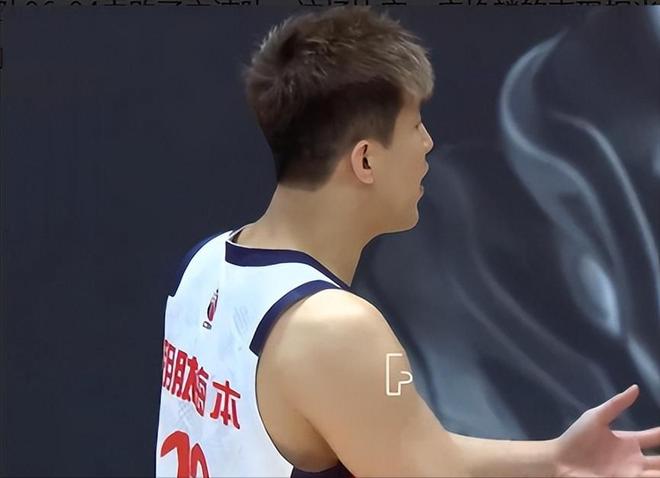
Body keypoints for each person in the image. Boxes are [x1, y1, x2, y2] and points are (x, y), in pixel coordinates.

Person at [155, 6, 660, 477]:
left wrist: (556, 458)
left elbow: (420, 453)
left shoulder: (200, 266)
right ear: (365, 160)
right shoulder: (337, 329)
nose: (428, 143)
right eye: (415, 125)